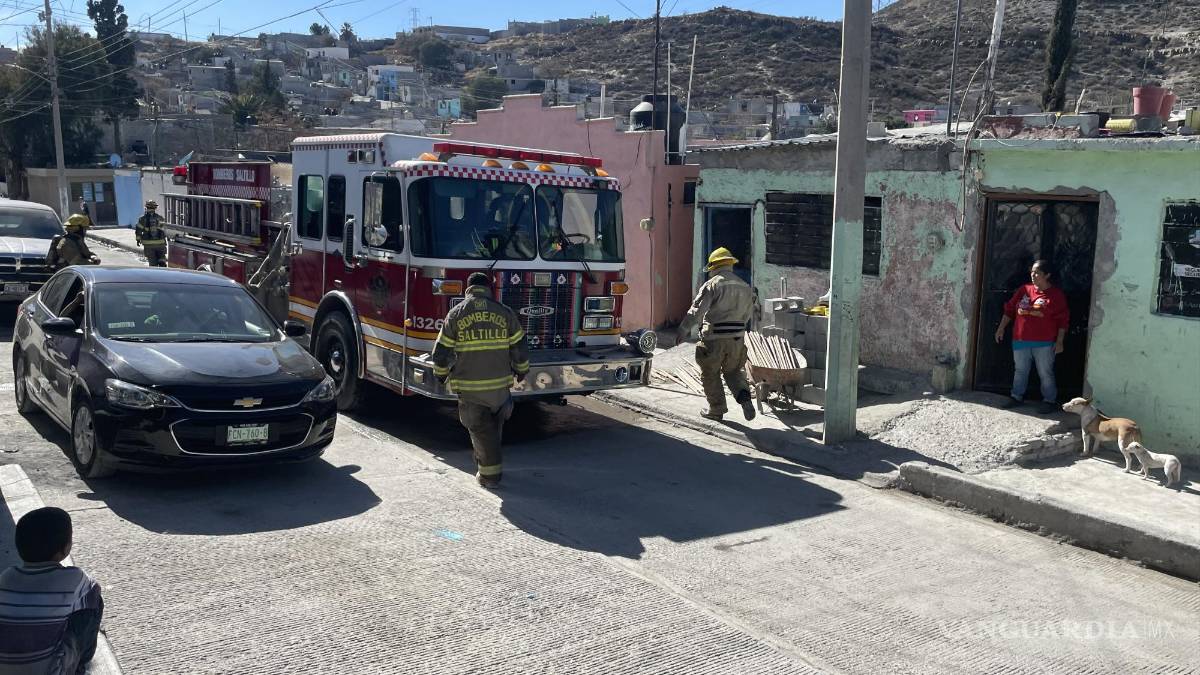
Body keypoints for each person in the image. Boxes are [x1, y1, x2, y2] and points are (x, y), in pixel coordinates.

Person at [431, 272, 530, 489]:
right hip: (500, 391)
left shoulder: (456, 314)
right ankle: (488, 467)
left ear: (468, 289)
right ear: (488, 289)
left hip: (471, 391)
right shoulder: (505, 313)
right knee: (493, 431)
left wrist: (440, 374)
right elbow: (519, 348)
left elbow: (441, 354)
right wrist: (521, 371)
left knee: (481, 432)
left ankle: (489, 477)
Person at [0, 507, 104, 675]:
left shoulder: (6, 576)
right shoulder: (73, 577)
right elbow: (94, 589)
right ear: (65, 549)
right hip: (52, 671)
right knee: (94, 600)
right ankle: (78, 667)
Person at [679, 247, 757, 422]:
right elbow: (747, 315)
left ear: (713, 266)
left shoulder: (712, 285)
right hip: (737, 339)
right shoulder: (745, 287)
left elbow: (696, 311)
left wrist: (683, 330)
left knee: (710, 373)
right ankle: (744, 398)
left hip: (714, 339)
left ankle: (716, 409)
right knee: (734, 371)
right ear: (730, 265)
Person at [994, 259, 1070, 414]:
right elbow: (1009, 310)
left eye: (1037, 273)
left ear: (1047, 275)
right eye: (1032, 272)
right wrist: (1001, 328)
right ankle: (1016, 397)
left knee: (1045, 372)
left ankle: (1049, 400)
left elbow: (1063, 320)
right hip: (1020, 339)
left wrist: (1060, 341)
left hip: (1044, 342)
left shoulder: (1056, 295)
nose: (1033, 275)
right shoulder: (1024, 290)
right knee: (1020, 370)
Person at [135, 199, 168, 267]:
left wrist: (138, 240)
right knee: (161, 257)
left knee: (153, 263)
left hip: (148, 245)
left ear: (146, 208)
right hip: (160, 243)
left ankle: (155, 275)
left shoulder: (142, 219)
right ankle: (162, 263)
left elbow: (138, 230)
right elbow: (164, 229)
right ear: (155, 208)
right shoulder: (160, 218)